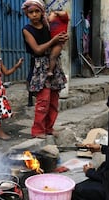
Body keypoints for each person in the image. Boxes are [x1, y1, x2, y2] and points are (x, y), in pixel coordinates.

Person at [21, 0, 68, 139]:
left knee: (54, 100)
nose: (34, 15)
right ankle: (37, 130)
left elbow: (61, 27)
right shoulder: (27, 30)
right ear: (27, 14)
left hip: (53, 64)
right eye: (31, 12)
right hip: (39, 67)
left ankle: (49, 128)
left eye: (37, 11)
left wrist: (63, 37)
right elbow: (37, 49)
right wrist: (54, 41)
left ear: (42, 12)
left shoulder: (48, 25)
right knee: (43, 101)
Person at [47, 10, 69, 77]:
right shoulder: (50, 22)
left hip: (59, 41)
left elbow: (65, 13)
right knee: (51, 56)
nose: (49, 16)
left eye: (50, 14)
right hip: (52, 40)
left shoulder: (63, 19)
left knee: (53, 56)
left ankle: (50, 71)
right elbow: (49, 20)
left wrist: (55, 12)